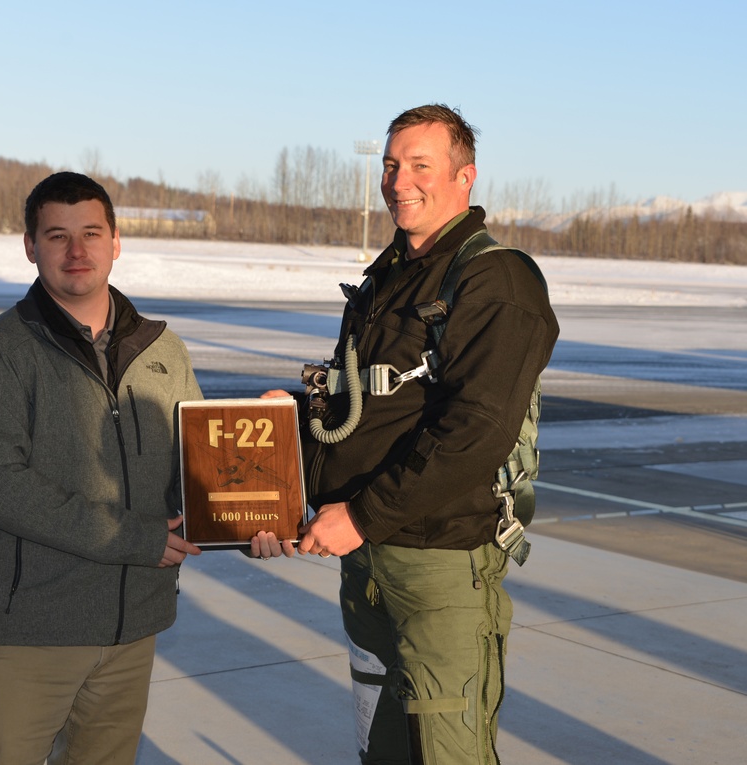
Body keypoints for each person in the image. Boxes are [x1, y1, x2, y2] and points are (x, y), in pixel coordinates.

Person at [258, 105, 559, 764]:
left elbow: (475, 431)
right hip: (367, 562)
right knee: (382, 750)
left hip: (438, 566)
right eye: (391, 165)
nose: (399, 181)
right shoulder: (388, 279)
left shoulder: (493, 280)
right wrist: (290, 431)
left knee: (447, 750)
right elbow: (366, 410)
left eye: (420, 165)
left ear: (464, 177)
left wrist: (361, 515)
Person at [0, 171, 202, 765]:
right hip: (25, 633)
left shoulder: (163, 351)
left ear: (116, 242)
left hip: (130, 630)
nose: (76, 251)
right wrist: (132, 538)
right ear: (30, 246)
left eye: (90, 233)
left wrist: (254, 514)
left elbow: (197, 465)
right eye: (57, 236)